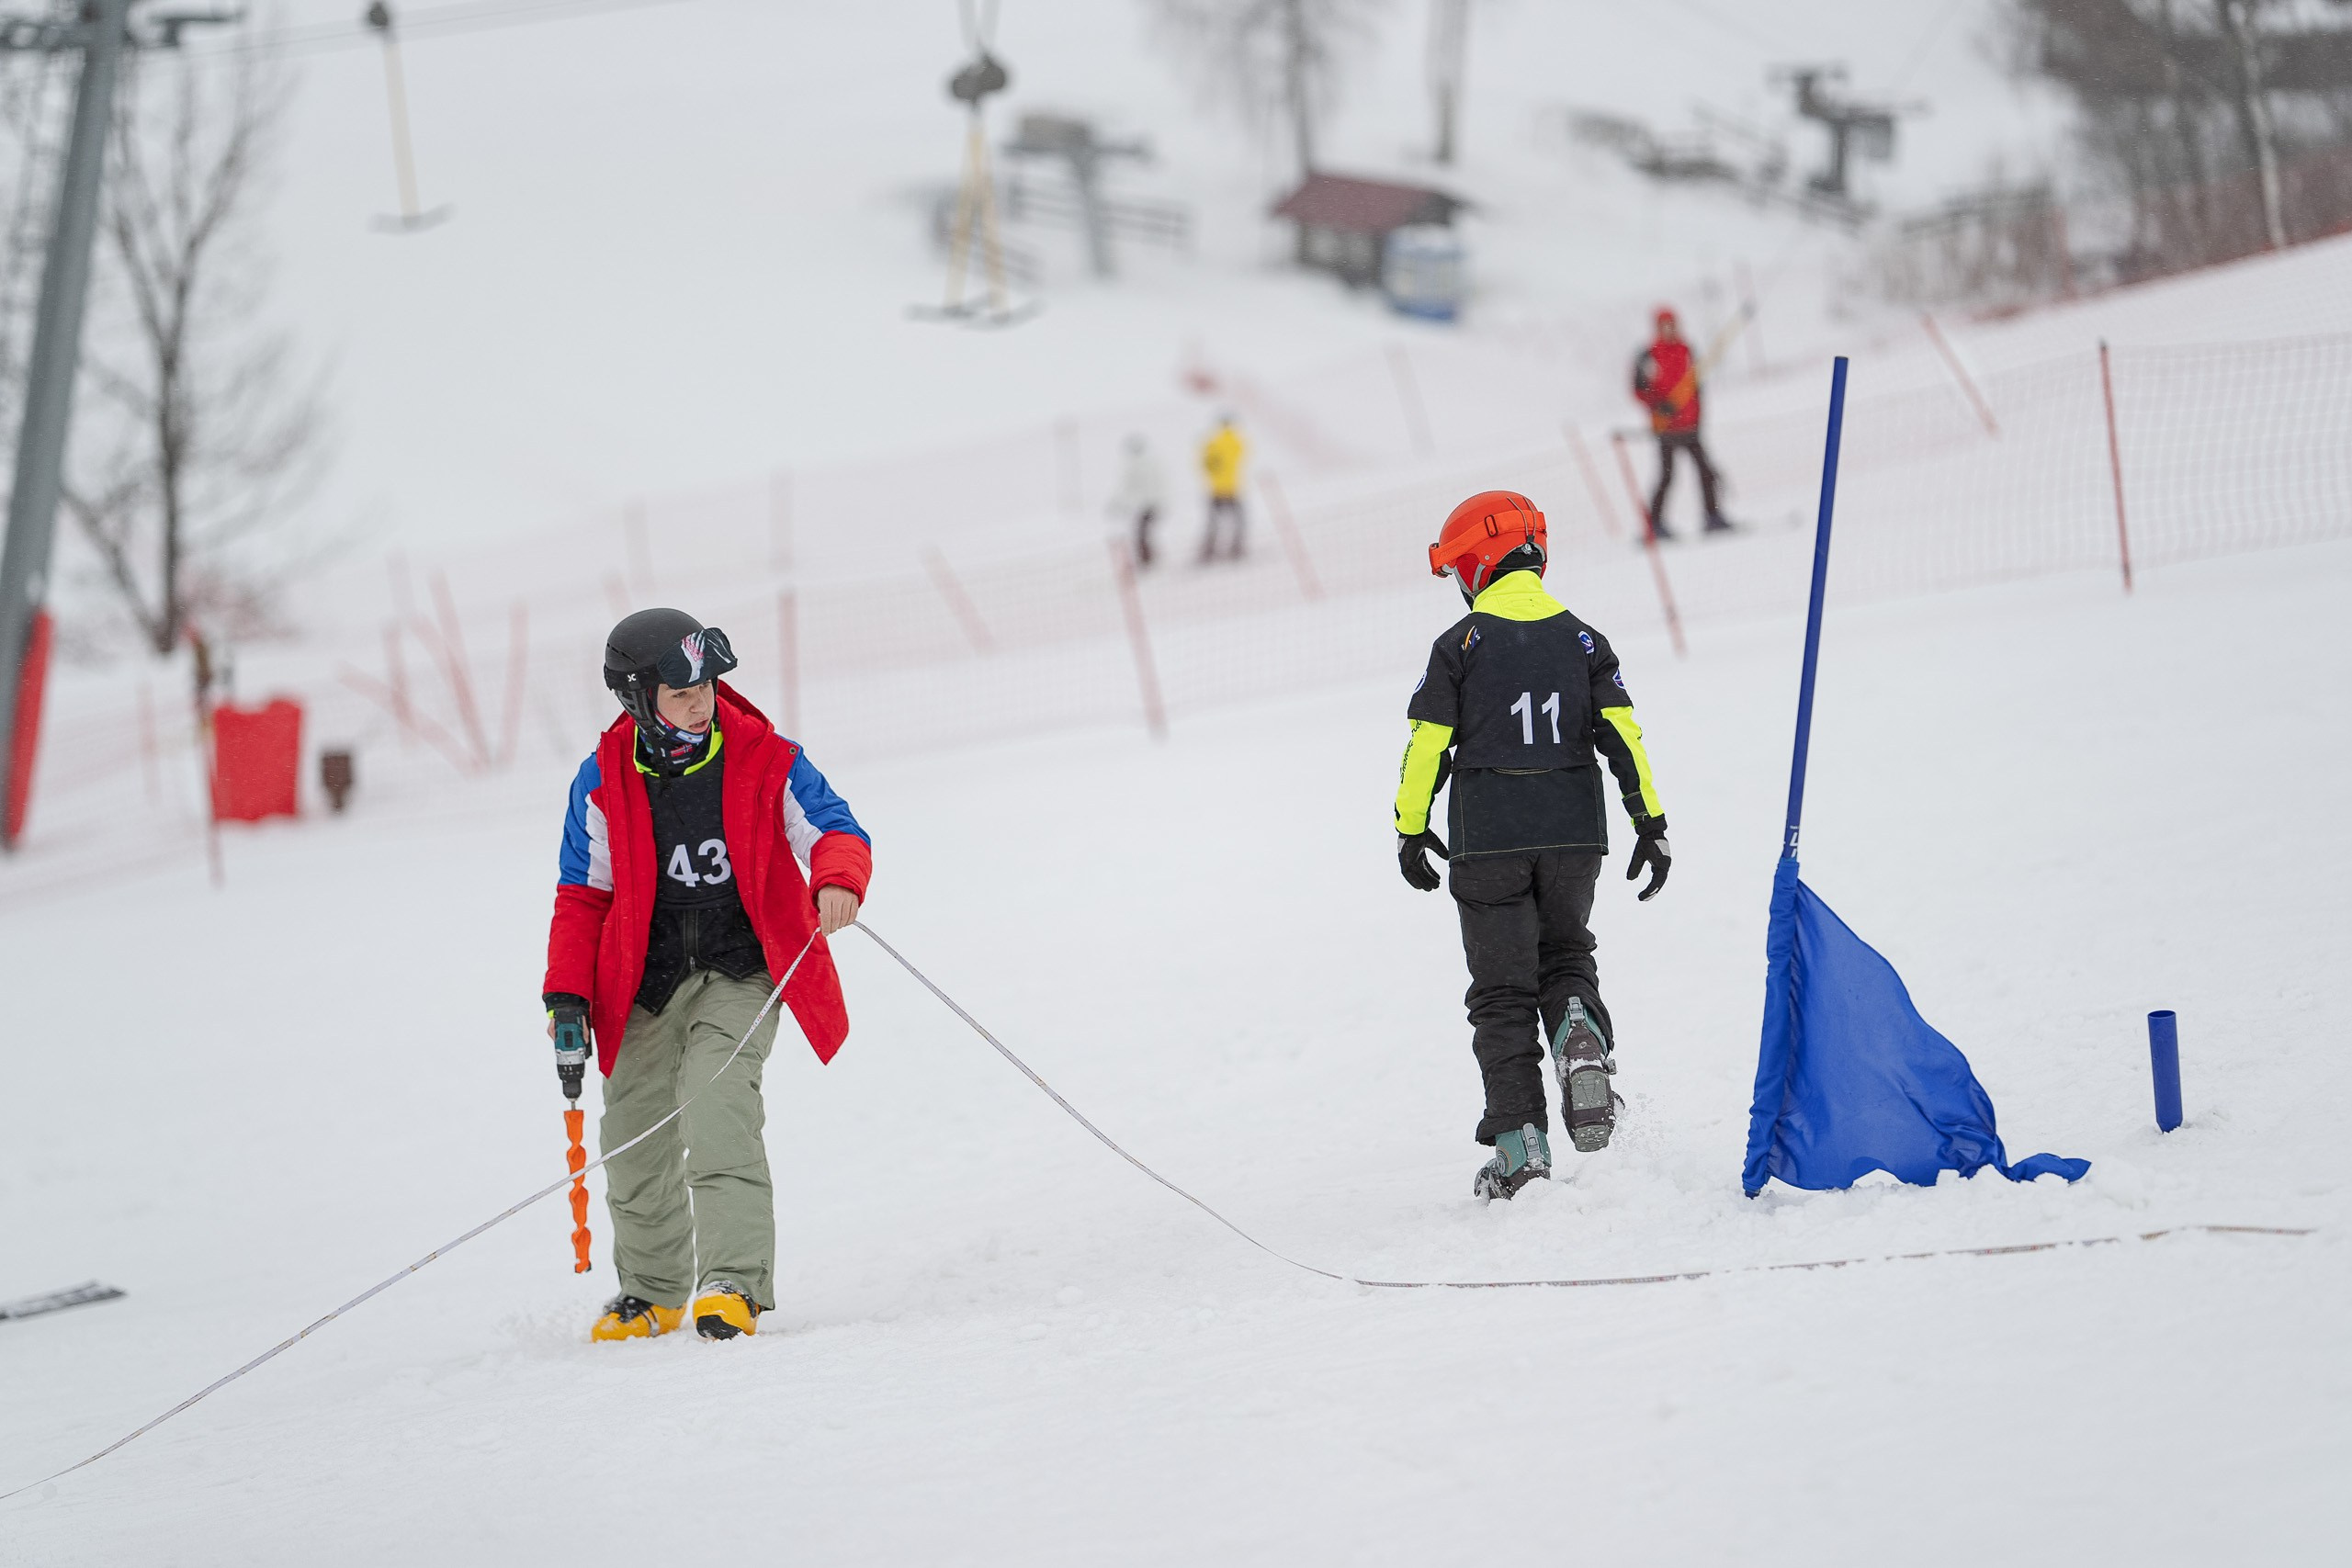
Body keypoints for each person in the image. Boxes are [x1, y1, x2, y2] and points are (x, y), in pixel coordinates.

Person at [543, 608, 873, 1341]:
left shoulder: (765, 757)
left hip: (740, 967)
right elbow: (582, 895)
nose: (702, 702)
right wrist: (566, 989)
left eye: (709, 686)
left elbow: (835, 829)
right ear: (637, 698)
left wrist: (837, 877)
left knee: (716, 1097)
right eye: (681, 691)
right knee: (632, 1129)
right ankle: (653, 1290)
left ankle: (733, 1278)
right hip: (645, 980)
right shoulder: (603, 779)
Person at [1393, 491, 1671, 1200]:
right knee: (1566, 954)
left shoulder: (1460, 645)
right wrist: (1650, 823)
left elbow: (1426, 742)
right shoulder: (1584, 640)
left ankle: (1521, 1149)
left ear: (1477, 566)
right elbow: (1624, 736)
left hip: (1488, 837)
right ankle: (1579, 1024)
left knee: (1501, 992)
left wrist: (1409, 824)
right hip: (1575, 831)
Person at [1631, 308, 1734, 538]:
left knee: (1705, 471)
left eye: (1672, 324)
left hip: (1690, 426)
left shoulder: (1687, 350)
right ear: (1657, 327)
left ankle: (1712, 517)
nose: (1669, 329)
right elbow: (1639, 389)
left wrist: (1698, 416)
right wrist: (1658, 405)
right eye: (1664, 325)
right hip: (1666, 428)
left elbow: (1696, 387)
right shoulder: (1647, 355)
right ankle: (1653, 526)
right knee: (1667, 476)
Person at [1106, 433, 1168, 568]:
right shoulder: (1152, 463)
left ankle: (1147, 560)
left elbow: (1128, 488)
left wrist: (1118, 503)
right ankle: (1148, 557)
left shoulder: (1135, 466)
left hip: (1145, 505)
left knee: (1141, 533)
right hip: (1153, 503)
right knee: (1144, 532)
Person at [1197, 413, 1248, 562]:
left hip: (1216, 489)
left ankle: (1208, 550)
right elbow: (1242, 456)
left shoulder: (1212, 442)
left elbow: (1205, 464)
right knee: (1239, 520)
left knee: (1213, 522)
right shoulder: (1237, 440)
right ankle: (1236, 548)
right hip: (1233, 487)